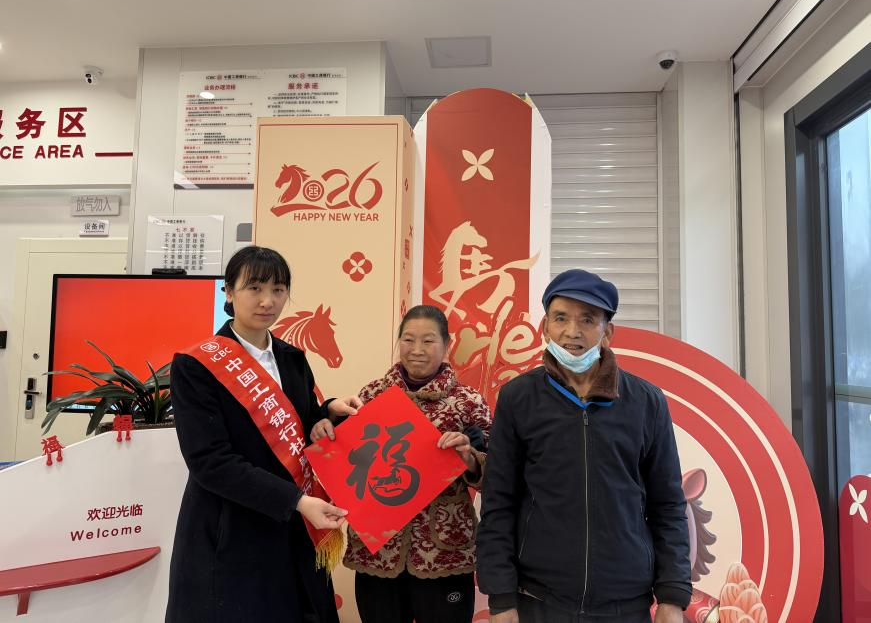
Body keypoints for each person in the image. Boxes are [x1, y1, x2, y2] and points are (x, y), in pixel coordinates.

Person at [476, 269, 692, 623]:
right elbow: (499, 502)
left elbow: (668, 505)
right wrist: (500, 599)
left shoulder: (646, 402)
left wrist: (672, 596)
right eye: (561, 318)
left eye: (587, 320)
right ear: (545, 327)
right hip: (540, 599)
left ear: (607, 332)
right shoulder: (518, 398)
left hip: (626, 602)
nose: (572, 331)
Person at [166, 245, 362, 623]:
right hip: (230, 529)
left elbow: (302, 426)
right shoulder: (195, 366)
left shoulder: (292, 358)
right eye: (254, 288)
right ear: (228, 291)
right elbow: (210, 462)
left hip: (292, 530)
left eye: (278, 289)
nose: (267, 301)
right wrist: (297, 501)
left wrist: (328, 413)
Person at [311, 305, 492, 623]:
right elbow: (348, 456)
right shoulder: (371, 395)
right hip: (378, 552)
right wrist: (324, 427)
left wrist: (470, 459)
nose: (417, 350)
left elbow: (495, 475)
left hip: (444, 552)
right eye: (408, 339)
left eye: (428, 341)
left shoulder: (468, 401)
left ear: (447, 345)